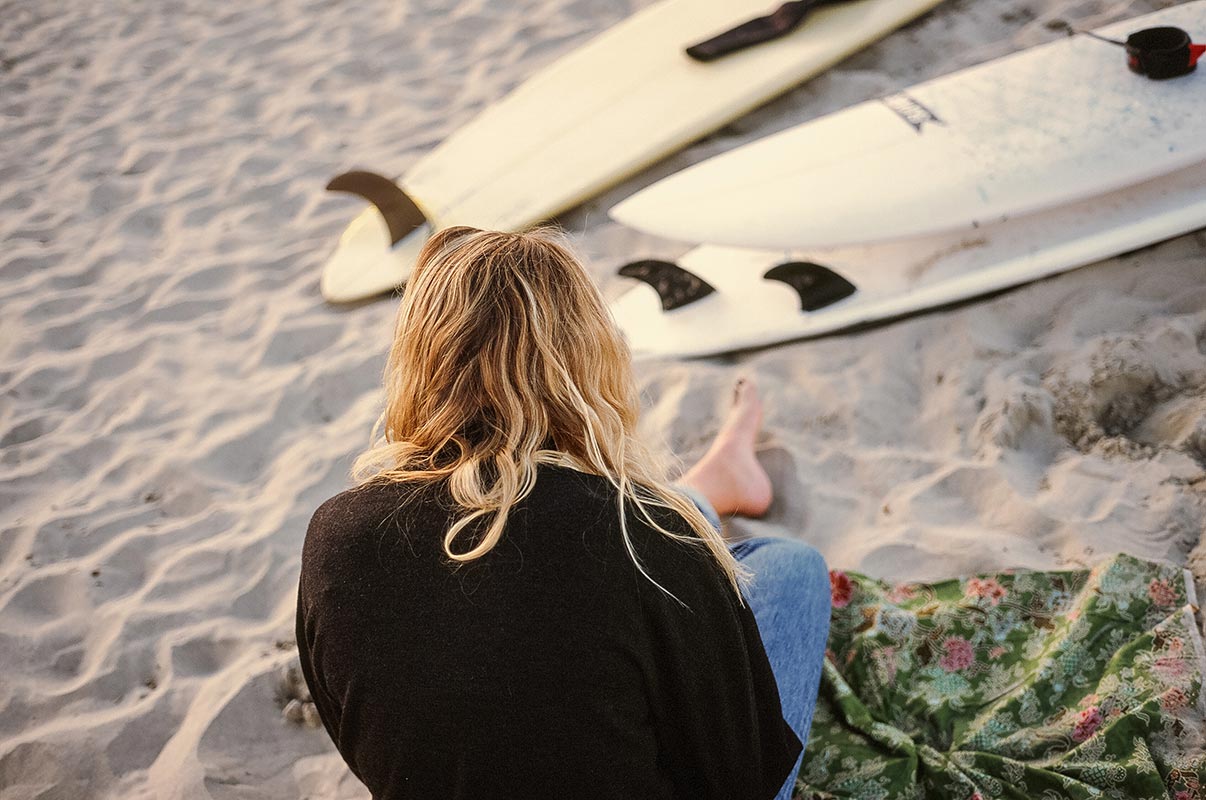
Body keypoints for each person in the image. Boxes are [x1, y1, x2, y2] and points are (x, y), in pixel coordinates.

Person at [295, 227, 831, 800]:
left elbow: (356, 731)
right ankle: (713, 483)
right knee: (786, 567)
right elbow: (740, 774)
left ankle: (713, 482)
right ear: (588, 359)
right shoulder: (645, 537)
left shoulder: (334, 538)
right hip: (643, 551)